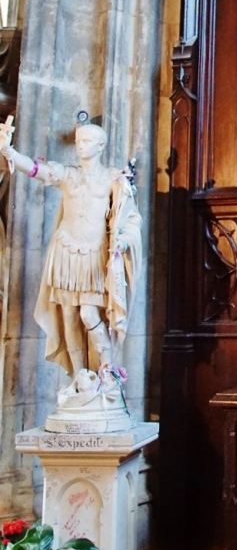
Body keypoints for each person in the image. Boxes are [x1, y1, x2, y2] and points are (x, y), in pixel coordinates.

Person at [0, 117, 142, 381]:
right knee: (68, 316)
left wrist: (122, 241)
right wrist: (10, 152)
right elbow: (35, 169)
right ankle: (80, 378)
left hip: (93, 254)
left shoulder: (113, 178)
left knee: (89, 313)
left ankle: (107, 372)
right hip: (65, 251)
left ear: (101, 145)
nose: (80, 146)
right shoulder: (68, 174)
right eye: (78, 141)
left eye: (87, 141)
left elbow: (131, 217)